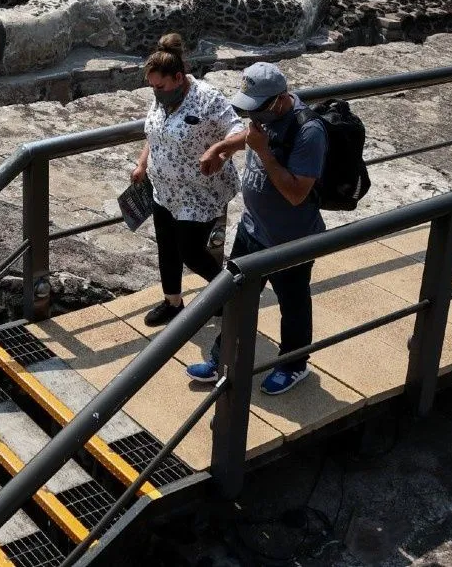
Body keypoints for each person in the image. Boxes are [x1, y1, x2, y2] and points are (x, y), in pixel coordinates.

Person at [187, 62, 327, 395]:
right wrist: (221, 147)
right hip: (252, 229)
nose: (253, 116)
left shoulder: (309, 132)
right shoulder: (267, 116)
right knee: (236, 298)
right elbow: (250, 137)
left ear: (279, 100)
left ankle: (294, 364)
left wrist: (263, 151)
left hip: (290, 240)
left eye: (258, 108)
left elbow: (296, 193)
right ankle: (223, 357)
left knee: (292, 305)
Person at [131, 34, 243, 326]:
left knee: (191, 252)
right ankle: (173, 303)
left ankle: (229, 294)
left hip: (198, 192)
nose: (156, 92)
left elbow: (238, 131)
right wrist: (142, 163)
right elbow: (155, 133)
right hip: (164, 190)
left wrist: (219, 152)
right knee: (167, 248)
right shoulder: (162, 97)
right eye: (152, 87)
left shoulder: (207, 98)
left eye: (160, 86)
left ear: (178, 78)